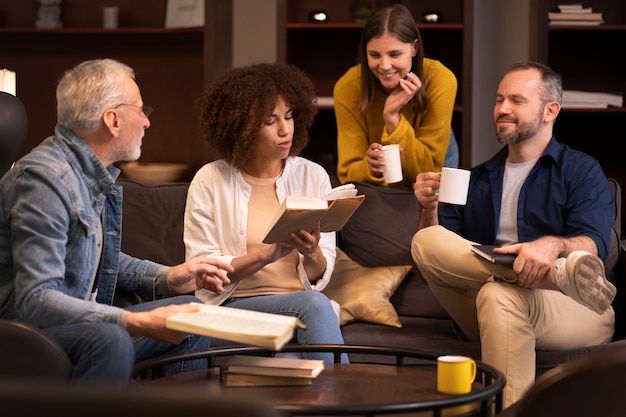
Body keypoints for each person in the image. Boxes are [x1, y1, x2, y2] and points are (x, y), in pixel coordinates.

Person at [0, 58, 234, 382]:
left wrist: (168, 277)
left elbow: (94, 256)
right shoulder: (44, 181)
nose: (146, 122)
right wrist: (133, 322)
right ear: (113, 120)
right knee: (110, 337)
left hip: (65, 325)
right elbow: (35, 300)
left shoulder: (88, 176)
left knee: (190, 318)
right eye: (141, 110)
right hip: (24, 332)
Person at [410, 61, 617, 407]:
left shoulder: (581, 170)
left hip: (576, 307)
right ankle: (557, 277)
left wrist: (550, 247)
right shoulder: (476, 179)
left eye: (517, 101)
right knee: (425, 242)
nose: (502, 109)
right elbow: (437, 259)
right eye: (499, 99)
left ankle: (556, 278)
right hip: (489, 305)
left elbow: (592, 245)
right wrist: (428, 208)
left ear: (551, 110)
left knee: (499, 296)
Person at [184, 62, 347, 363]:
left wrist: (311, 253)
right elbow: (204, 273)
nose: (285, 130)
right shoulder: (210, 180)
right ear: (241, 128)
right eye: (270, 121)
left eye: (289, 116)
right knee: (314, 305)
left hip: (296, 311)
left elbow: (320, 275)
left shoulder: (313, 177)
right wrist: (264, 257)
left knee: (291, 362)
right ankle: (351, 404)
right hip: (232, 309)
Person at [334, 3, 458, 189]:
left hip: (430, 168)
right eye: (374, 54)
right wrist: (371, 167)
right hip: (379, 185)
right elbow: (347, 174)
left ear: (414, 48)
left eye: (395, 54)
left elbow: (428, 170)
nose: (384, 66)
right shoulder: (348, 87)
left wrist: (392, 118)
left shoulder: (441, 80)